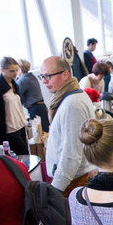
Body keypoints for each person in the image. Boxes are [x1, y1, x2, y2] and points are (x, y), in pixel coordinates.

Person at [41, 56, 97, 197]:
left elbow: (72, 153)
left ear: (65, 74)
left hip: (74, 180)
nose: (44, 81)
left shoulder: (73, 104)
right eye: (42, 76)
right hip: (73, 178)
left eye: (48, 76)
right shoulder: (69, 98)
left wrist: (56, 189)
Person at [0, 57, 29, 154]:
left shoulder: (15, 84)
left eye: (16, 70)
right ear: (2, 70)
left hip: (20, 127)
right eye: (11, 71)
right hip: (9, 131)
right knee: (21, 155)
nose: (15, 73)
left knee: (25, 155)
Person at [16, 59, 50, 133]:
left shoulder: (23, 80)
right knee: (45, 131)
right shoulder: (31, 77)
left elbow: (16, 95)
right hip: (41, 107)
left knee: (39, 133)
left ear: (20, 69)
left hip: (35, 109)